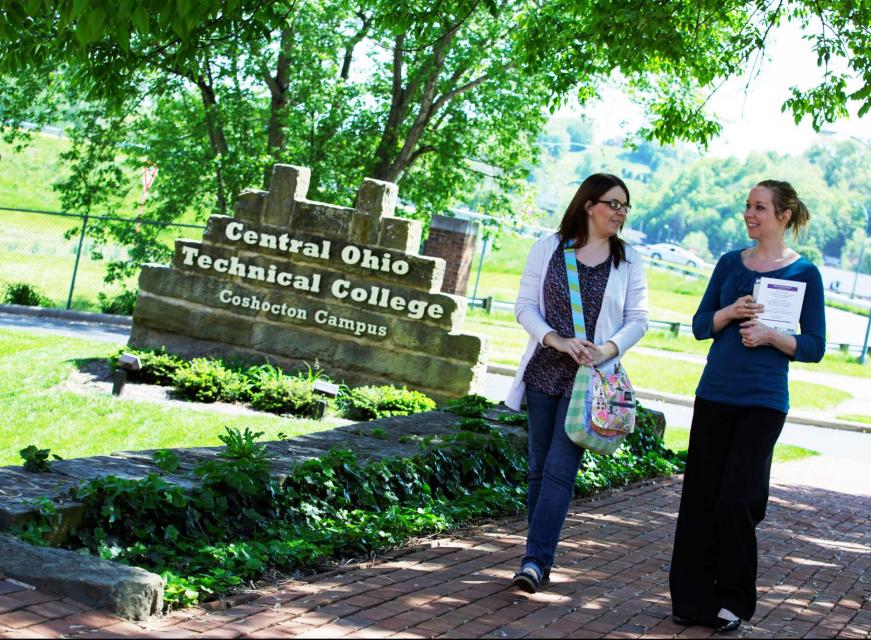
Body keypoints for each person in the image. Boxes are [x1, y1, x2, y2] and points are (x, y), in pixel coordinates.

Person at [669, 180, 826, 632]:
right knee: (700, 497)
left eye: (759, 207)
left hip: (763, 402)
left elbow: (814, 345)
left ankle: (734, 601)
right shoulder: (728, 264)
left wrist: (773, 337)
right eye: (747, 206)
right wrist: (729, 313)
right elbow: (701, 324)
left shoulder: (805, 274)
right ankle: (692, 599)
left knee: (738, 498)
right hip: (715, 393)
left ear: (783, 216)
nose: (749, 214)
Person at [505, 173, 649, 593]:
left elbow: (639, 320)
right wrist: (555, 339)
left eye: (625, 206)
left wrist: (608, 349)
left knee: (559, 469)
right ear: (589, 205)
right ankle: (539, 551)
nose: (620, 213)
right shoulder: (548, 249)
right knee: (537, 469)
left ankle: (534, 561)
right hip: (545, 369)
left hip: (589, 382)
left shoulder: (629, 260)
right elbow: (525, 307)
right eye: (613, 204)